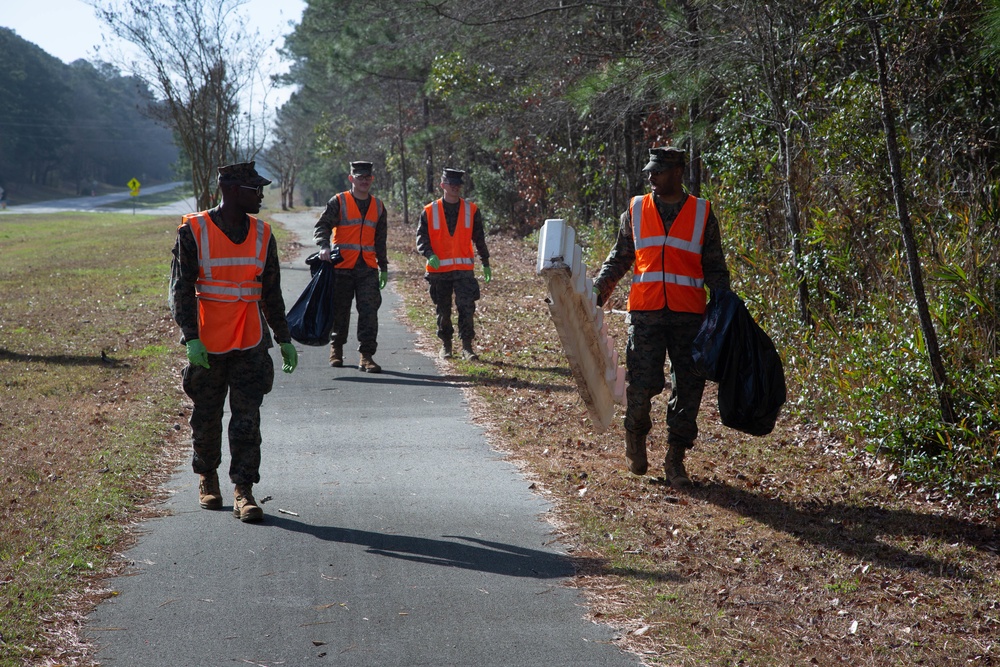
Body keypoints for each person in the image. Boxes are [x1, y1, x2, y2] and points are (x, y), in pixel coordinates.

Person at [593, 147, 731, 487]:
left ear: (679, 172)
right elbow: (620, 258)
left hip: (690, 319)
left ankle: (675, 461)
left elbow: (715, 267)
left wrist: (725, 309)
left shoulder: (702, 213)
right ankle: (635, 438)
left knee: (688, 390)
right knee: (641, 388)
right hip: (646, 316)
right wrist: (597, 292)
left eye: (659, 171)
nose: (651, 177)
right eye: (650, 171)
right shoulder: (637, 209)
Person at [169, 161, 298, 523]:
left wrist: (284, 338)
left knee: (247, 420)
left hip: (250, 340)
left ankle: (244, 489)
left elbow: (270, 291)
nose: (260, 195)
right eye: (254, 189)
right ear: (230, 191)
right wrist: (190, 337)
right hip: (208, 342)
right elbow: (181, 290)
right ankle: (207, 478)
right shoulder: (194, 231)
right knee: (207, 416)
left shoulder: (262, 233)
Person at [314, 161, 389, 372]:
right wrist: (323, 246)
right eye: (359, 177)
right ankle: (336, 348)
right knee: (340, 311)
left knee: (369, 311)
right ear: (351, 178)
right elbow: (322, 226)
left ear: (371, 179)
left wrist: (383, 267)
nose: (364, 181)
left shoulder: (378, 206)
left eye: (367, 177)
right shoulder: (339, 201)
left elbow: (380, 240)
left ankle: (366, 356)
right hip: (341, 267)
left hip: (367, 268)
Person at [416, 168, 491, 360]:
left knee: (466, 308)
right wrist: (429, 254)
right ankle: (446, 345)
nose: (455, 187)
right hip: (438, 271)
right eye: (451, 184)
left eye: (458, 184)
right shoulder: (429, 211)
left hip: (464, 271)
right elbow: (421, 239)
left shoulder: (471, 210)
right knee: (443, 310)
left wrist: (485, 261)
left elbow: (479, 238)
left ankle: (467, 347)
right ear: (443, 185)